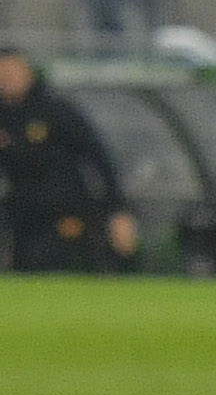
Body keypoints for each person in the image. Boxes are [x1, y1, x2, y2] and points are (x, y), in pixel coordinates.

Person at [0, 45, 136, 271]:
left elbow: (97, 157)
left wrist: (117, 209)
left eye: (11, 72)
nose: (7, 80)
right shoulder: (4, 117)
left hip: (67, 214)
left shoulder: (55, 110)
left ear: (27, 71)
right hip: (24, 218)